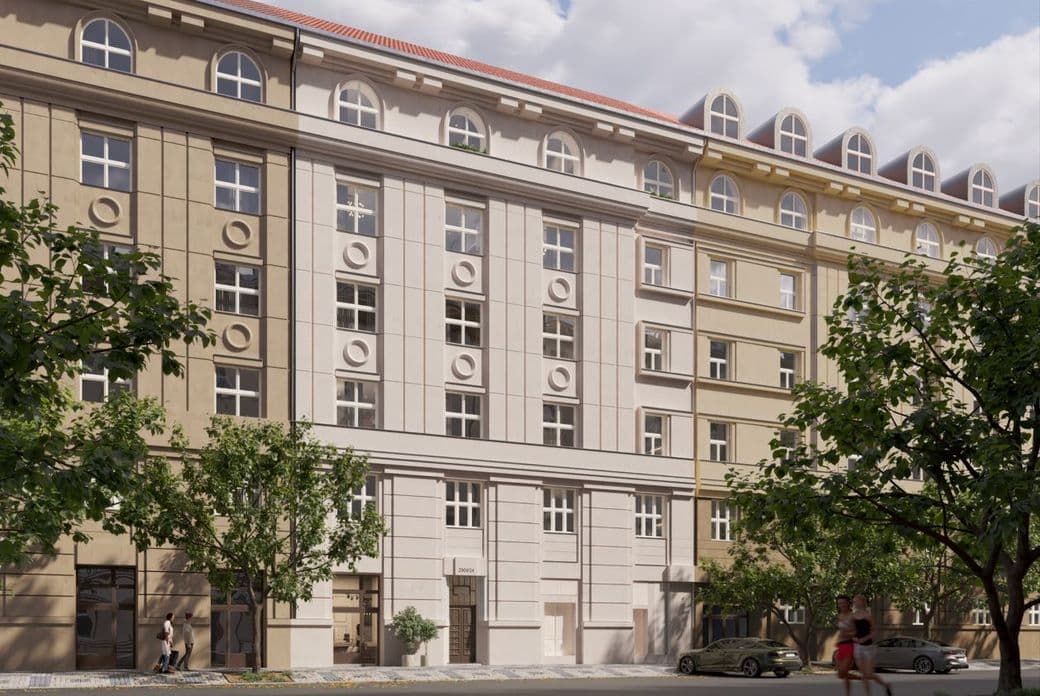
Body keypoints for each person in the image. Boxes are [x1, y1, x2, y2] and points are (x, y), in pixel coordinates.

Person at [852, 594, 893, 696]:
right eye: (854, 601)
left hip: (868, 648)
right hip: (857, 647)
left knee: (869, 674)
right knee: (864, 675)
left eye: (856, 601)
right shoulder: (853, 616)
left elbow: (874, 632)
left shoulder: (868, 616)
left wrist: (864, 639)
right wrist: (853, 638)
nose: (854, 603)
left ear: (862, 602)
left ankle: (885, 685)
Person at [835, 595, 860, 696]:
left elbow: (858, 632)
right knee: (842, 675)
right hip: (840, 646)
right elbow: (841, 631)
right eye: (839, 603)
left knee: (843, 672)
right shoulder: (840, 615)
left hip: (850, 645)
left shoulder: (853, 616)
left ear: (848, 603)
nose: (841, 605)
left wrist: (848, 634)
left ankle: (862, 678)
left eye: (843, 603)